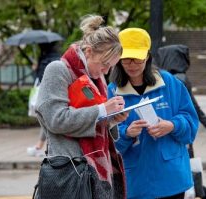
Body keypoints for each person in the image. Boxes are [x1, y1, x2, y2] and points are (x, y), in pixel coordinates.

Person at [34, 15, 128, 198]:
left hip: (94, 171)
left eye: (111, 67)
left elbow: (95, 122)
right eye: (104, 64)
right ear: (89, 51)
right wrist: (102, 110)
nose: (106, 71)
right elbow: (56, 120)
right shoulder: (58, 69)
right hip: (70, 171)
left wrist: (112, 119)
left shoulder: (96, 77)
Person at [108, 28, 199, 199]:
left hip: (171, 177)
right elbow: (108, 139)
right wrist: (126, 133)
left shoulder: (170, 83)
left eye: (137, 59)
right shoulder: (113, 91)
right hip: (135, 180)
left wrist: (172, 125)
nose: (132, 64)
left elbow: (191, 125)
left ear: (148, 56)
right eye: (126, 59)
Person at [156, 44, 206, 199]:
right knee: (188, 179)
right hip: (180, 136)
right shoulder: (180, 79)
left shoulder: (161, 79)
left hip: (165, 136)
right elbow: (195, 109)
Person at [27, 42, 61, 157]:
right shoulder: (58, 57)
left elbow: (41, 77)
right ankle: (41, 146)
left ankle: (40, 147)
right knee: (48, 119)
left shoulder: (44, 59)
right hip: (57, 92)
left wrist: (35, 69)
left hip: (45, 93)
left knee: (46, 119)